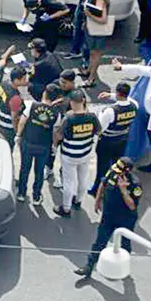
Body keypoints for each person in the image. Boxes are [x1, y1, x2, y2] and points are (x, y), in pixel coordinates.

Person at [75, 157, 143, 279]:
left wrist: (124, 190)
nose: (116, 173)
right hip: (109, 216)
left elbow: (132, 206)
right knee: (99, 242)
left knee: (125, 245)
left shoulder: (135, 184)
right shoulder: (113, 172)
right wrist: (97, 200)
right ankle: (89, 266)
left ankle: (123, 267)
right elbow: (103, 183)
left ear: (126, 171)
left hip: (125, 219)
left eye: (119, 171)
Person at [54, 89, 101, 217]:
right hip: (85, 153)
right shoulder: (92, 117)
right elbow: (98, 131)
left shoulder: (69, 118)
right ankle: (79, 200)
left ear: (71, 102)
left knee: (68, 181)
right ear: (84, 101)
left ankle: (66, 208)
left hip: (69, 154)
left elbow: (59, 135)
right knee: (83, 178)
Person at [16, 83, 63, 204]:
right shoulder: (57, 114)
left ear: (44, 93)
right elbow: (55, 132)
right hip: (44, 146)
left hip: (28, 143)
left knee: (24, 169)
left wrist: (18, 135)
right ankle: (36, 196)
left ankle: (21, 193)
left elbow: (22, 121)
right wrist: (54, 145)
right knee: (39, 171)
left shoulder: (31, 105)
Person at [91, 82, 138, 196]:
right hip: (122, 140)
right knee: (118, 165)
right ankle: (115, 186)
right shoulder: (134, 105)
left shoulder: (110, 111)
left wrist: (100, 115)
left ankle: (97, 189)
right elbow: (129, 99)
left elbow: (100, 129)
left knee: (102, 166)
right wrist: (111, 95)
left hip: (107, 142)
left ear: (117, 93)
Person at [82, 0, 111, 87]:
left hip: (97, 31)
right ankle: (89, 71)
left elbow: (103, 20)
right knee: (92, 53)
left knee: (96, 54)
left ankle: (91, 77)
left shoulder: (100, 0)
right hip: (92, 30)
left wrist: (89, 15)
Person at [0, 66, 28, 151]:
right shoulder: (15, 98)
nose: (26, 81)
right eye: (24, 79)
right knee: (7, 150)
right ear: (16, 80)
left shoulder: (4, 83)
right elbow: (14, 118)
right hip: (8, 128)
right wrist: (17, 133)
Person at [28, 38, 62, 102]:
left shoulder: (38, 65)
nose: (30, 50)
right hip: (58, 84)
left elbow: (31, 78)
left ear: (36, 50)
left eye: (31, 49)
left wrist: (31, 70)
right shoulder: (50, 55)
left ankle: (43, 100)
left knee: (31, 86)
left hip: (51, 89)